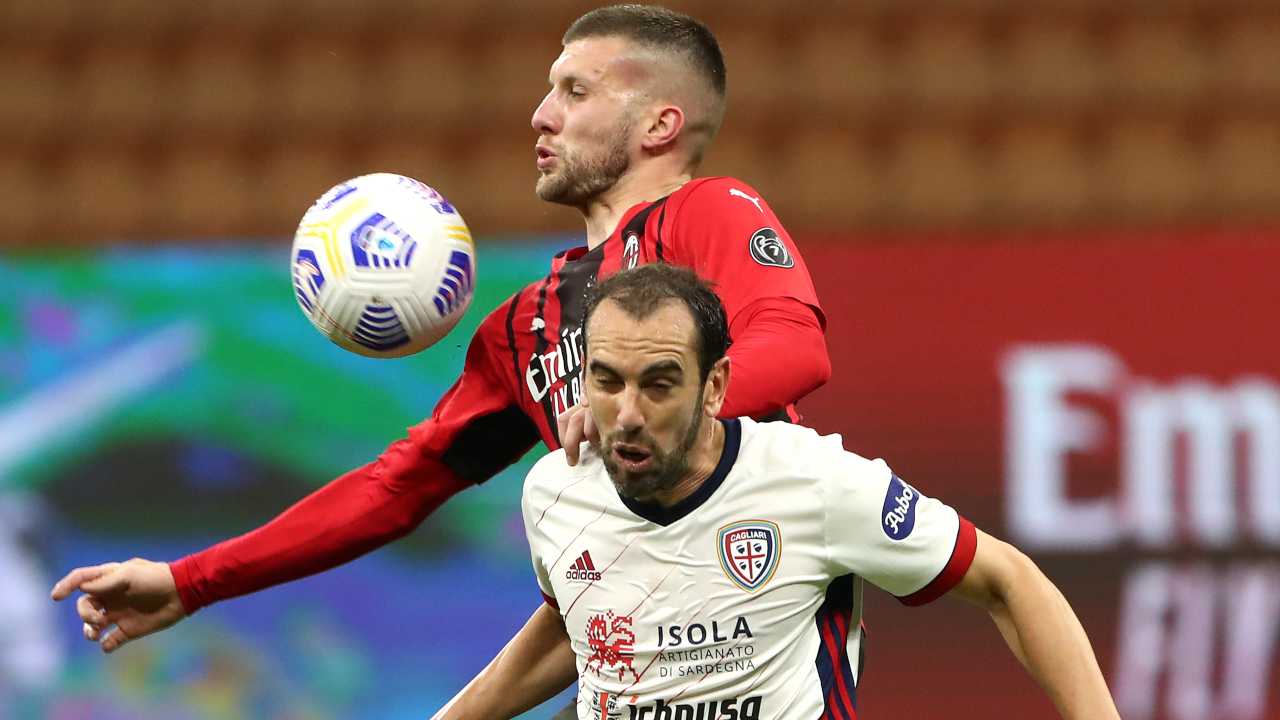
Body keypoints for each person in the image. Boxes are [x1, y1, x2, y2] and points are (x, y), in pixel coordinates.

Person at [50, 3, 831, 663]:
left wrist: (644, 414)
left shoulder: (708, 213)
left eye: (575, 90)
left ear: (660, 123)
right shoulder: (527, 325)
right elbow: (397, 487)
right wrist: (191, 581)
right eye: (547, 91)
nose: (542, 114)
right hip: (636, 665)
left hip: (758, 649)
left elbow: (798, 349)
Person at [434, 264, 1121, 720]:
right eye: (608, 381)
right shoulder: (555, 493)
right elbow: (580, 624)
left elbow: (1007, 579)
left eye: (660, 383)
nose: (630, 412)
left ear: (717, 386)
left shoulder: (813, 483)